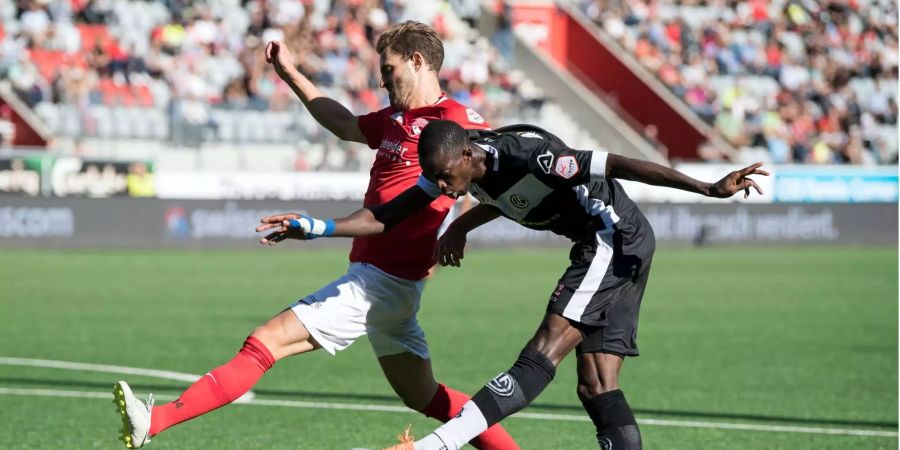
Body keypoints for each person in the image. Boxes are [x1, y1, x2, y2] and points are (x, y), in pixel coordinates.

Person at [112, 22, 519, 450]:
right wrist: (290, 73)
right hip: (390, 284)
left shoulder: (455, 121)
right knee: (425, 396)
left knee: (265, 342)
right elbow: (344, 123)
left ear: (418, 62)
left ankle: (153, 422)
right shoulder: (396, 119)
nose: (382, 79)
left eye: (390, 69)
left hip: (379, 281)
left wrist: (459, 225)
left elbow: (508, 177)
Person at [257, 120, 769, 449]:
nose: (439, 188)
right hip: (613, 245)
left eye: (443, 178)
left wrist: (707, 187)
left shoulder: (530, 155)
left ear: (464, 157)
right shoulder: (456, 168)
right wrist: (314, 227)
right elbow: (384, 216)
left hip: (612, 238)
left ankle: (436, 447)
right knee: (595, 386)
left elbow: (617, 164)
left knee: (542, 352)